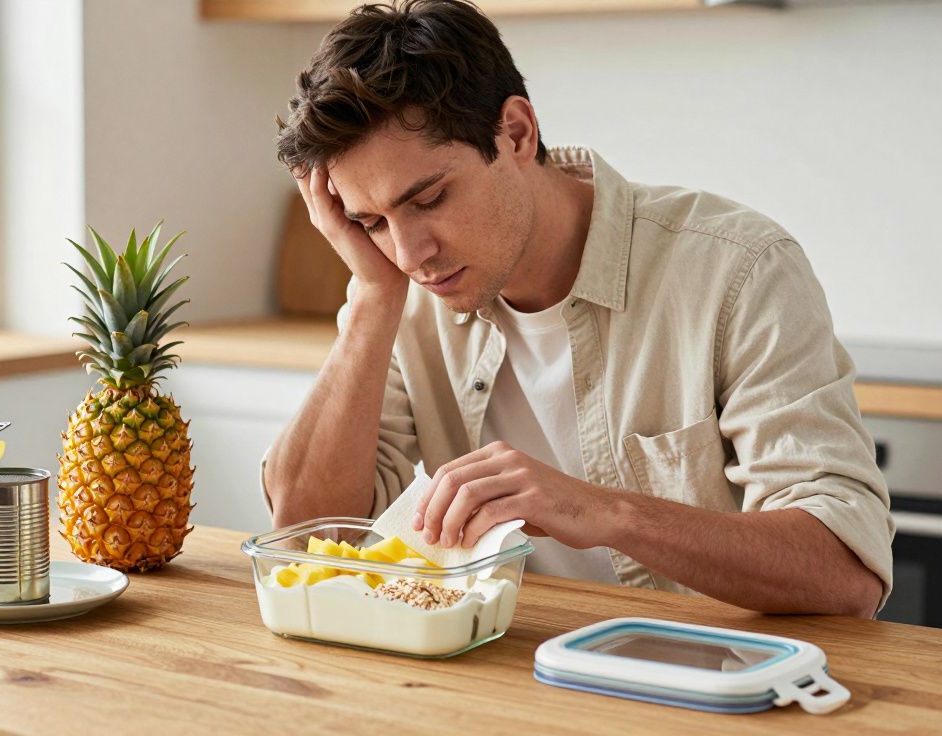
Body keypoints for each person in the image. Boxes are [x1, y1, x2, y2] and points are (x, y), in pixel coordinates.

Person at [262, 0, 893, 618]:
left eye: (429, 199)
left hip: (710, 685)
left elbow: (846, 572)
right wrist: (372, 299)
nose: (409, 253)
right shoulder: (399, 294)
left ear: (515, 132)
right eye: (371, 222)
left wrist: (606, 512)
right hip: (509, 676)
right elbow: (306, 536)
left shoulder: (737, 268)